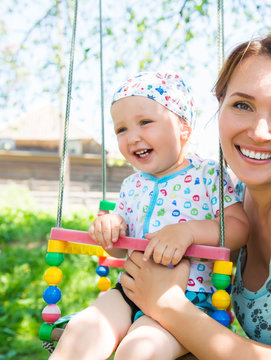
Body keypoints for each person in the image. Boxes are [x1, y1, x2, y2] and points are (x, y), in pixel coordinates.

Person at [119, 33, 271, 360]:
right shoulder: (235, 199)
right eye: (242, 105)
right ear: (221, 107)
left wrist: (170, 306)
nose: (259, 132)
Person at [50, 71, 249, 360]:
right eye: (121, 129)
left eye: (145, 122)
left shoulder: (207, 174)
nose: (133, 137)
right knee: (83, 328)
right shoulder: (132, 184)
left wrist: (189, 231)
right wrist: (111, 229)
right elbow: (118, 247)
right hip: (130, 289)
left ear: (183, 127)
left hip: (187, 301)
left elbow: (240, 228)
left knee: (140, 348)